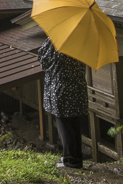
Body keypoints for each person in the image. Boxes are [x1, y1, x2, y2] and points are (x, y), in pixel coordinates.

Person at [36, 37, 88, 169]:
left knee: (64, 125)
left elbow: (44, 60)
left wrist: (50, 41)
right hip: (77, 87)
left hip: (61, 88)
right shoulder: (81, 42)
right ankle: (76, 158)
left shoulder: (58, 40)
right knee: (74, 125)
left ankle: (70, 160)